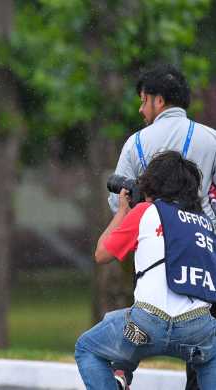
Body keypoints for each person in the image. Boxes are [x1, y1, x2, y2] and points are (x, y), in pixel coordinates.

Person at [107, 61, 216, 390]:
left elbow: (119, 204)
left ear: (159, 100)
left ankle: (122, 369)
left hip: (155, 251)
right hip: (203, 250)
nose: (141, 109)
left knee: (145, 311)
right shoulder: (212, 138)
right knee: (205, 337)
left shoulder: (136, 143)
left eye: (143, 100)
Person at [76, 150, 216, 390]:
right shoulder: (205, 224)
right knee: (210, 358)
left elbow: (102, 254)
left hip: (145, 325)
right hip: (197, 328)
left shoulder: (144, 212)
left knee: (86, 347)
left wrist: (123, 211)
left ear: (155, 183)